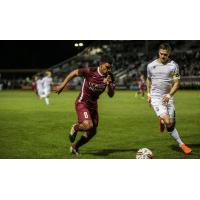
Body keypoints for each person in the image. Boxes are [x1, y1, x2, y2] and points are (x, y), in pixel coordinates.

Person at [56, 55, 115, 155]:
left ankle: (75, 147)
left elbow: (111, 95)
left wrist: (109, 84)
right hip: (82, 102)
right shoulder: (90, 71)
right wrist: (63, 85)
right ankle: (75, 127)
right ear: (101, 65)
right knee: (88, 125)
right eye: (107, 67)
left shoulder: (110, 77)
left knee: (93, 131)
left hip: (93, 105)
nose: (108, 69)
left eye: (110, 67)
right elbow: (74, 73)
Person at [146, 43, 192, 154]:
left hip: (168, 96)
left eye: (165, 54)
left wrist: (169, 95)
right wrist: (148, 94)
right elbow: (148, 79)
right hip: (156, 97)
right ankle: (182, 145)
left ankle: (162, 120)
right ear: (158, 52)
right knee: (167, 121)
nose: (163, 56)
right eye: (161, 54)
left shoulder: (173, 65)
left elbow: (177, 83)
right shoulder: (151, 66)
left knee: (171, 123)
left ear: (169, 54)